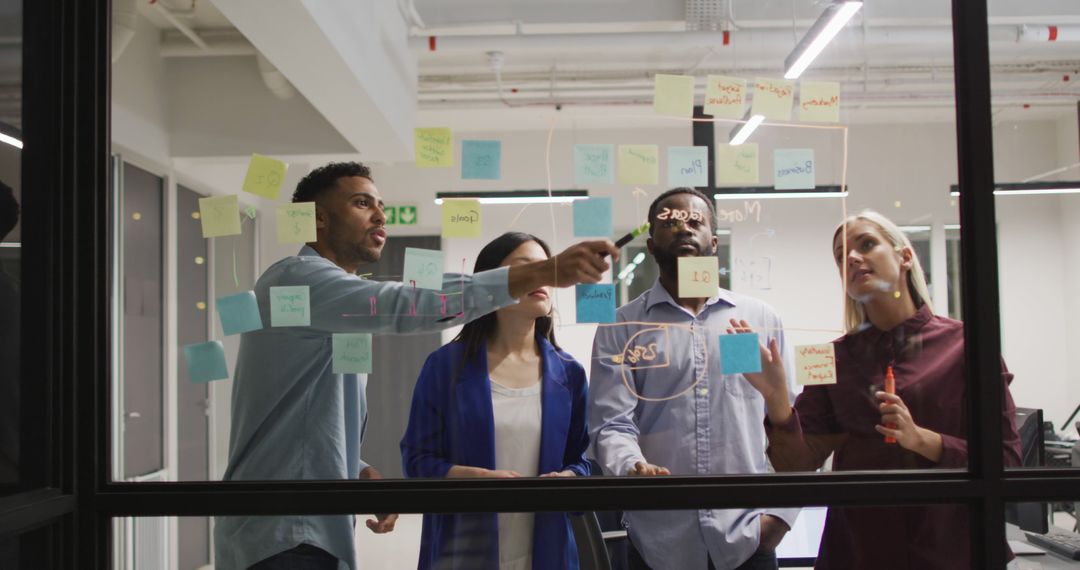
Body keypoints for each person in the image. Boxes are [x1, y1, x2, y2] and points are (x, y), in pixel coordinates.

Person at [213, 162, 618, 570]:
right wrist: (544, 270)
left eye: (381, 205)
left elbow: (301, 419)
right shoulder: (296, 283)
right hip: (284, 533)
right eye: (361, 203)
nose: (379, 215)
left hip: (312, 529)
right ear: (317, 217)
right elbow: (405, 304)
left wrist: (357, 470)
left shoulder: (566, 371)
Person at [739, 210, 1021, 569]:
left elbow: (1007, 462)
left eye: (867, 244)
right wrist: (777, 398)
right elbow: (796, 466)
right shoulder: (828, 357)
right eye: (841, 256)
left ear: (904, 256)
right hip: (858, 552)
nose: (852, 258)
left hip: (951, 552)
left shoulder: (968, 345)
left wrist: (922, 440)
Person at [589, 187, 798, 570]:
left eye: (695, 221)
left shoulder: (757, 320)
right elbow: (611, 424)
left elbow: (790, 425)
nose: (683, 227)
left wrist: (779, 520)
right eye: (670, 221)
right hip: (658, 541)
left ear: (713, 242)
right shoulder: (622, 327)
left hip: (747, 538)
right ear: (651, 246)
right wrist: (631, 466)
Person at [401, 231, 591, 570]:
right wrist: (469, 477)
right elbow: (417, 461)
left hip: (548, 553)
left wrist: (571, 478)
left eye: (548, 268)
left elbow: (582, 461)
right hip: (463, 551)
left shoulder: (570, 373)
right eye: (527, 267)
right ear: (492, 283)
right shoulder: (446, 367)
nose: (543, 276)